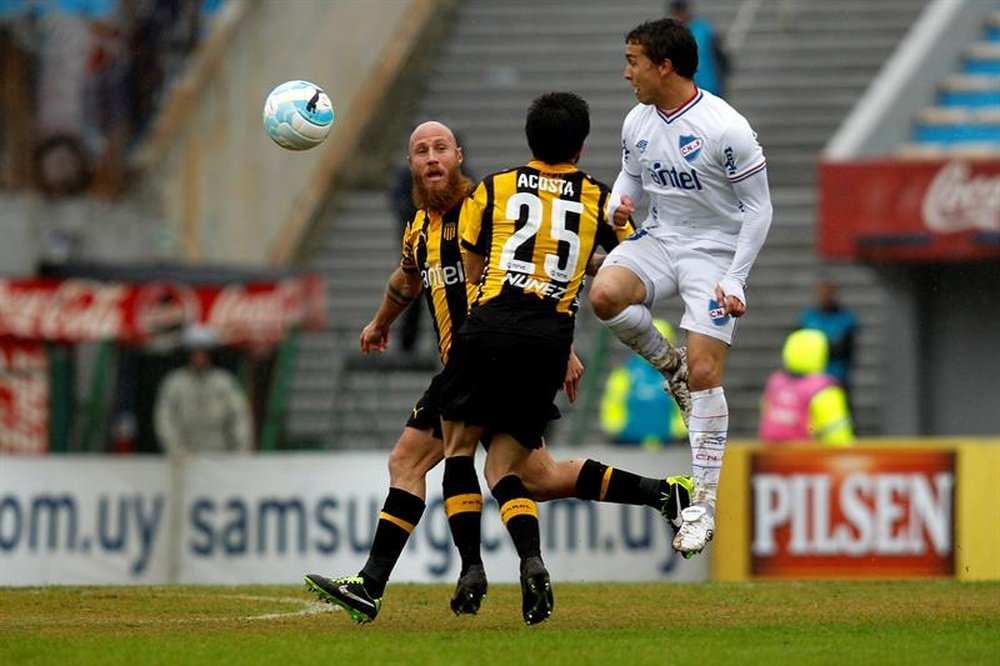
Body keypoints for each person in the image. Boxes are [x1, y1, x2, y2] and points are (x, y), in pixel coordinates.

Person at [304, 119, 692, 626]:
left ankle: (383, 582)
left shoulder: (488, 209)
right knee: (538, 478)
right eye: (421, 151)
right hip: (477, 362)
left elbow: (549, 258)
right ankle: (664, 493)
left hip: (488, 357)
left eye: (441, 148)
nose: (431, 158)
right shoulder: (418, 227)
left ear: (459, 156)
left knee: (412, 461)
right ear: (411, 166)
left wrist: (563, 348)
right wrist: (381, 322)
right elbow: (406, 279)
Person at [435, 92, 651, 626]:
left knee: (460, 451)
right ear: (580, 146)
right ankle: (531, 560)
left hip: (486, 326)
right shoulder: (600, 198)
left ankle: (470, 567)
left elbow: (472, 265)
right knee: (508, 467)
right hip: (548, 340)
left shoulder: (494, 188)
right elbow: (631, 266)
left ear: (530, 139)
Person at [588, 18, 773, 559]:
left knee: (708, 370)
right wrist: (615, 203)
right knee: (604, 294)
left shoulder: (726, 128)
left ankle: (703, 503)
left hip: (715, 251)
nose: (627, 74)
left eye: (634, 62)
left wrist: (736, 276)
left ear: (664, 65)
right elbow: (629, 178)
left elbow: (760, 209)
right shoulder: (637, 121)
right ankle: (671, 370)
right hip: (662, 237)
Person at [154, 325, 253, 455]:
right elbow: (164, 417)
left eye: (203, 352)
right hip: (184, 455)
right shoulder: (175, 382)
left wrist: (241, 445)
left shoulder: (223, 381)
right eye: (195, 351)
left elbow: (239, 415)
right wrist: (175, 447)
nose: (199, 356)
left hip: (220, 453)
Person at [601, 318, 688, 448]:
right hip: (629, 442)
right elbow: (613, 402)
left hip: (668, 443)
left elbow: (685, 404)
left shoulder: (678, 374)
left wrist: (679, 432)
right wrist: (616, 429)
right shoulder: (626, 372)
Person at [759, 329, 854, 446]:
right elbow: (838, 437)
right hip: (809, 460)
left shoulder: (776, 382)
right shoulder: (824, 389)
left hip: (772, 458)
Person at [798, 279, 859, 404]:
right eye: (821, 293)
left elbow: (845, 349)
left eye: (828, 293)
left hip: (837, 378)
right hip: (810, 381)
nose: (824, 297)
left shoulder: (846, 320)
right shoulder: (807, 318)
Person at [668, 0, 731, 98]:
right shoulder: (670, 34)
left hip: (709, 86)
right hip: (686, 90)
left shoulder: (704, 30)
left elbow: (720, 57)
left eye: (680, 13)